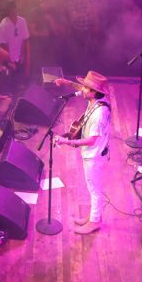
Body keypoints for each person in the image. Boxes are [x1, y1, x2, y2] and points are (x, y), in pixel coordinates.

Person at [54, 71, 111, 234]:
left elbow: (91, 140)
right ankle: (93, 216)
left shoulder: (99, 114)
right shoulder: (97, 99)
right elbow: (80, 87)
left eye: (86, 88)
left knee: (94, 189)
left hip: (94, 155)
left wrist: (68, 141)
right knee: (93, 188)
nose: (82, 90)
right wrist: (66, 82)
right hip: (93, 153)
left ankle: (94, 222)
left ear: (93, 92)